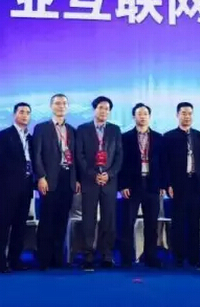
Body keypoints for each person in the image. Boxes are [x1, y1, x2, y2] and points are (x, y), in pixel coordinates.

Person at [32, 93, 80, 270]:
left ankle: (58, 258)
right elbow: (36, 155)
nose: (61, 106)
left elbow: (76, 157)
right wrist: (41, 177)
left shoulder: (72, 130)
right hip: (49, 179)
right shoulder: (41, 128)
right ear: (51, 106)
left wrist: (77, 179)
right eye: (58, 103)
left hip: (67, 179)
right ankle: (44, 259)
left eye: (64, 103)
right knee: (47, 220)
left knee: (62, 220)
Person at [76, 96, 123, 271]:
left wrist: (109, 174)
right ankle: (88, 256)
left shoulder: (115, 130)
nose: (104, 111)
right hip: (90, 181)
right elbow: (79, 155)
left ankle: (107, 255)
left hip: (109, 182)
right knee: (88, 219)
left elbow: (119, 156)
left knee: (109, 219)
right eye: (101, 108)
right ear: (94, 109)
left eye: (107, 109)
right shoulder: (83, 129)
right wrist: (92, 174)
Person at [118, 103, 165, 268]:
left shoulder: (159, 138)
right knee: (127, 223)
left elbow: (164, 163)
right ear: (134, 117)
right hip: (132, 186)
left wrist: (163, 184)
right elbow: (121, 163)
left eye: (145, 113)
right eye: (139, 114)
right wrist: (122, 185)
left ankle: (150, 257)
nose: (142, 116)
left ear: (149, 117)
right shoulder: (125, 138)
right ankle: (126, 258)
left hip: (152, 185)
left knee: (151, 224)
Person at [164, 102, 200, 269]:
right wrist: (168, 184)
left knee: (194, 221)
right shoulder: (169, 137)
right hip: (177, 184)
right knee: (178, 221)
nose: (187, 116)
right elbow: (165, 163)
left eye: (190, 113)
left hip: (196, 183)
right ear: (177, 115)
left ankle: (194, 257)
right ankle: (178, 256)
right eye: (183, 113)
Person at [0, 103, 35, 273]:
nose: (25, 115)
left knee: (20, 225)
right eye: (21, 112)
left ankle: (15, 260)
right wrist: (2, 183)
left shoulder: (30, 137)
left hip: (26, 187)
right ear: (14, 114)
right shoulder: (4, 135)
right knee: (3, 226)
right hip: (7, 189)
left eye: (28, 113)